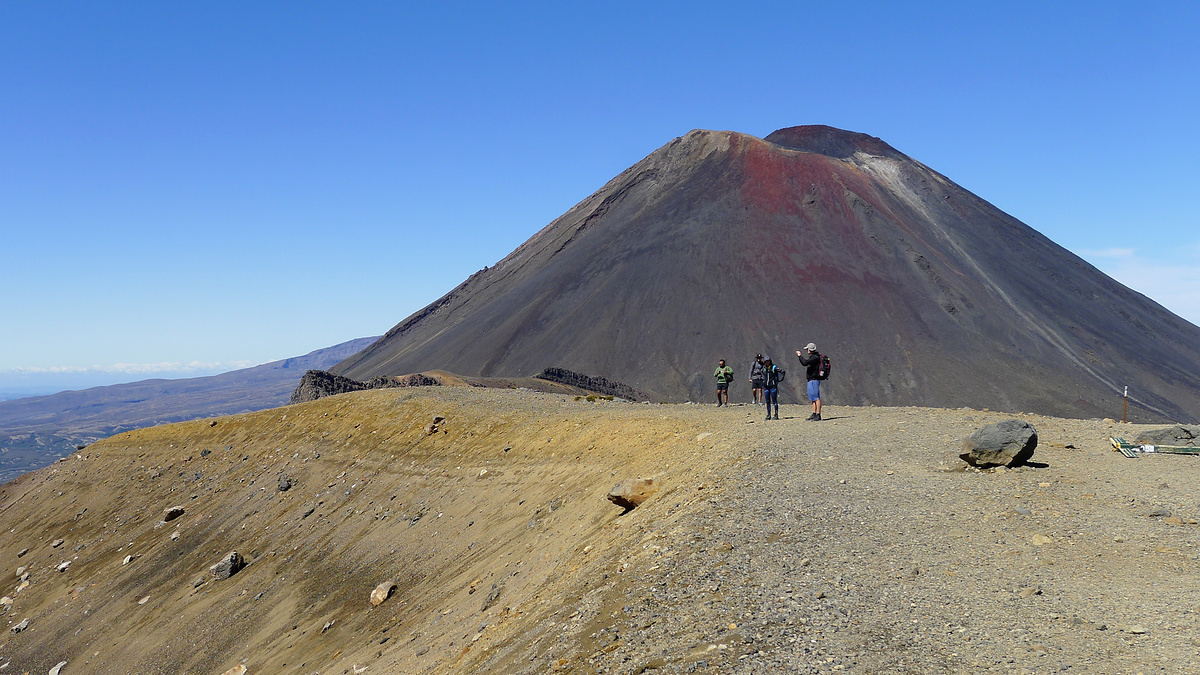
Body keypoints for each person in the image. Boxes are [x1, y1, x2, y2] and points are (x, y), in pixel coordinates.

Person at [796, 343, 823, 421]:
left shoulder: (815, 358)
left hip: (814, 379)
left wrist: (800, 356)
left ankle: (818, 414)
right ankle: (814, 413)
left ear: (810, 350)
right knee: (812, 397)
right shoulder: (814, 357)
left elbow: (804, 363)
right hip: (811, 379)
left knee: (816, 397)